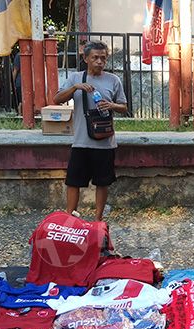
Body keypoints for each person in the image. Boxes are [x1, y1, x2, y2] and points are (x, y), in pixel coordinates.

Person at [53, 41, 128, 221]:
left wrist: (111, 105)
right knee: (73, 182)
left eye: (103, 58)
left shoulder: (113, 80)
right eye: (95, 57)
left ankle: (98, 220)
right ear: (86, 58)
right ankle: (70, 218)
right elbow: (56, 99)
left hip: (105, 142)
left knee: (102, 183)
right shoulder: (75, 78)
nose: (99, 62)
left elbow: (124, 107)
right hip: (81, 141)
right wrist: (75, 88)